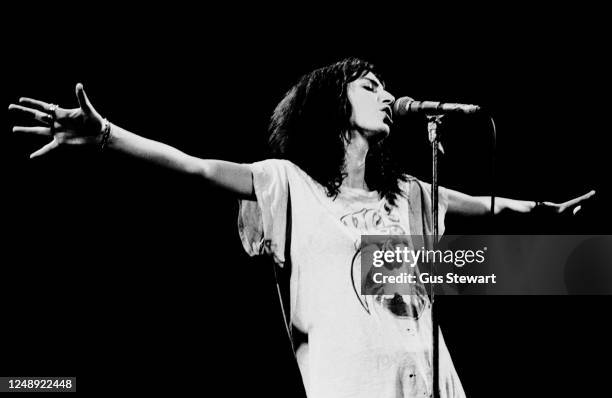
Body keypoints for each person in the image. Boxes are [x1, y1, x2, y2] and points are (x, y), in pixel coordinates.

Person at [8, 58, 594, 397]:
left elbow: (488, 206)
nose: (388, 97)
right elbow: (197, 167)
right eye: (370, 87)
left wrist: (549, 212)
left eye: (385, 87)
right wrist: (109, 134)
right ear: (332, 105)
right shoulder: (291, 185)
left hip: (430, 383)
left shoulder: (410, 193)